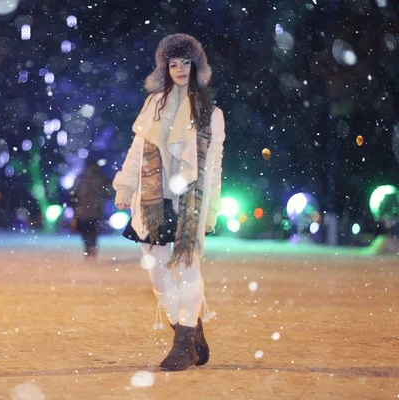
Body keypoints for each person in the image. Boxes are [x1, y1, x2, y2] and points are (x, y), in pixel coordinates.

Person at [113, 33, 225, 371]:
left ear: (196, 67)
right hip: (151, 200)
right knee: (158, 274)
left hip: (189, 202)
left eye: (185, 63)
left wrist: (213, 209)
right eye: (173, 64)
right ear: (165, 68)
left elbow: (215, 165)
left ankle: (182, 343)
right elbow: (137, 149)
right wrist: (124, 185)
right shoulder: (153, 104)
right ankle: (188, 329)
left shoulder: (212, 114)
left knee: (187, 270)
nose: (179, 70)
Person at [70, 160, 112, 258]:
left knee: (85, 230)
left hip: (82, 209)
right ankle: (92, 247)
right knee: (93, 230)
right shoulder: (101, 178)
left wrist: (75, 205)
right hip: (95, 208)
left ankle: (88, 248)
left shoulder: (81, 178)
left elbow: (73, 193)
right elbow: (108, 193)